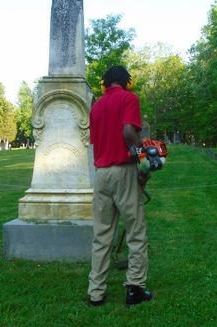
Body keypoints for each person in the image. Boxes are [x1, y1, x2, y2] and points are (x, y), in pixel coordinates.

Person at [87, 66, 152, 307]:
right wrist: (141, 157)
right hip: (123, 171)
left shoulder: (96, 106)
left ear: (105, 84)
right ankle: (135, 289)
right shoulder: (129, 98)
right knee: (135, 232)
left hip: (101, 174)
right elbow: (128, 132)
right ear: (128, 82)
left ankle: (96, 292)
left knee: (102, 234)